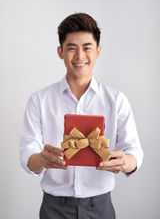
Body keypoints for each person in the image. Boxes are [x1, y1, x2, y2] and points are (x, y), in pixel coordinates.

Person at [20, 13, 143, 219]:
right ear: (60, 52)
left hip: (101, 207)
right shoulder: (39, 100)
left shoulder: (116, 100)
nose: (79, 56)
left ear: (98, 51)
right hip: (54, 208)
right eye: (71, 48)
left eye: (87, 47)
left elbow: (135, 152)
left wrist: (125, 162)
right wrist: (42, 159)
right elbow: (26, 155)